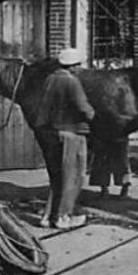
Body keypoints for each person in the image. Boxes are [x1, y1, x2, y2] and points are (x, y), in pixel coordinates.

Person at [34, 47, 94, 230]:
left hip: (53, 133)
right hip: (72, 134)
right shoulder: (72, 82)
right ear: (72, 66)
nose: (79, 69)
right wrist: (92, 113)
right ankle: (63, 217)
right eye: (78, 65)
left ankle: (47, 216)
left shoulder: (50, 79)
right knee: (73, 177)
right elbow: (84, 109)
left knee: (58, 177)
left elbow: (43, 108)